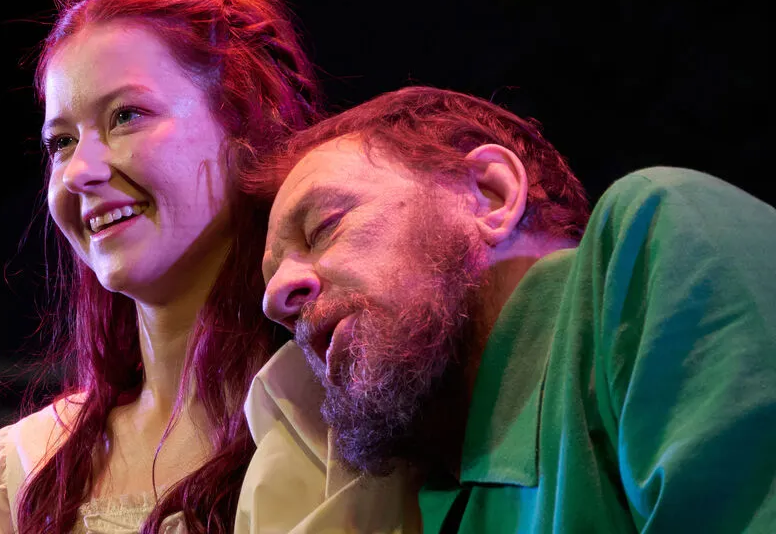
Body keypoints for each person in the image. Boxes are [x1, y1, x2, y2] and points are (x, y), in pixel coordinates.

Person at [240, 86, 776, 532]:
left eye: (324, 226)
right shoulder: (429, 497)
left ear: (492, 195)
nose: (276, 298)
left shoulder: (650, 240)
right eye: (271, 282)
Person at [0, 0, 321, 533]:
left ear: (246, 129)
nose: (78, 171)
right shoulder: (16, 478)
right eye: (61, 142)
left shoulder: (351, 430)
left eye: (126, 116)